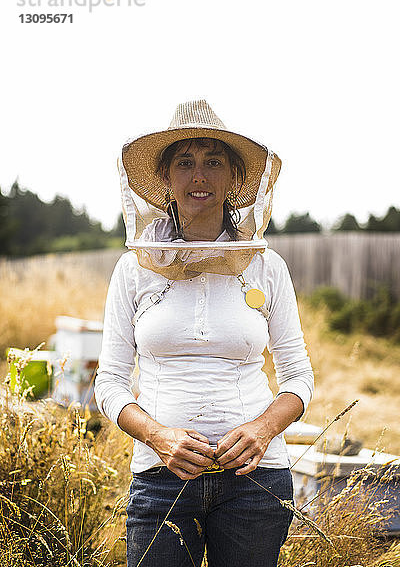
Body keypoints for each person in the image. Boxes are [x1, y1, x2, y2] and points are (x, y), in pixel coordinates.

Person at [94, 99, 314, 567]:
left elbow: (298, 377)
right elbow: (109, 381)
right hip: (161, 479)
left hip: (255, 481)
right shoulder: (134, 269)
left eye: (214, 161)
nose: (199, 175)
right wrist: (157, 436)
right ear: (166, 180)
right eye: (185, 162)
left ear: (235, 178)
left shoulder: (266, 266)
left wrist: (263, 428)